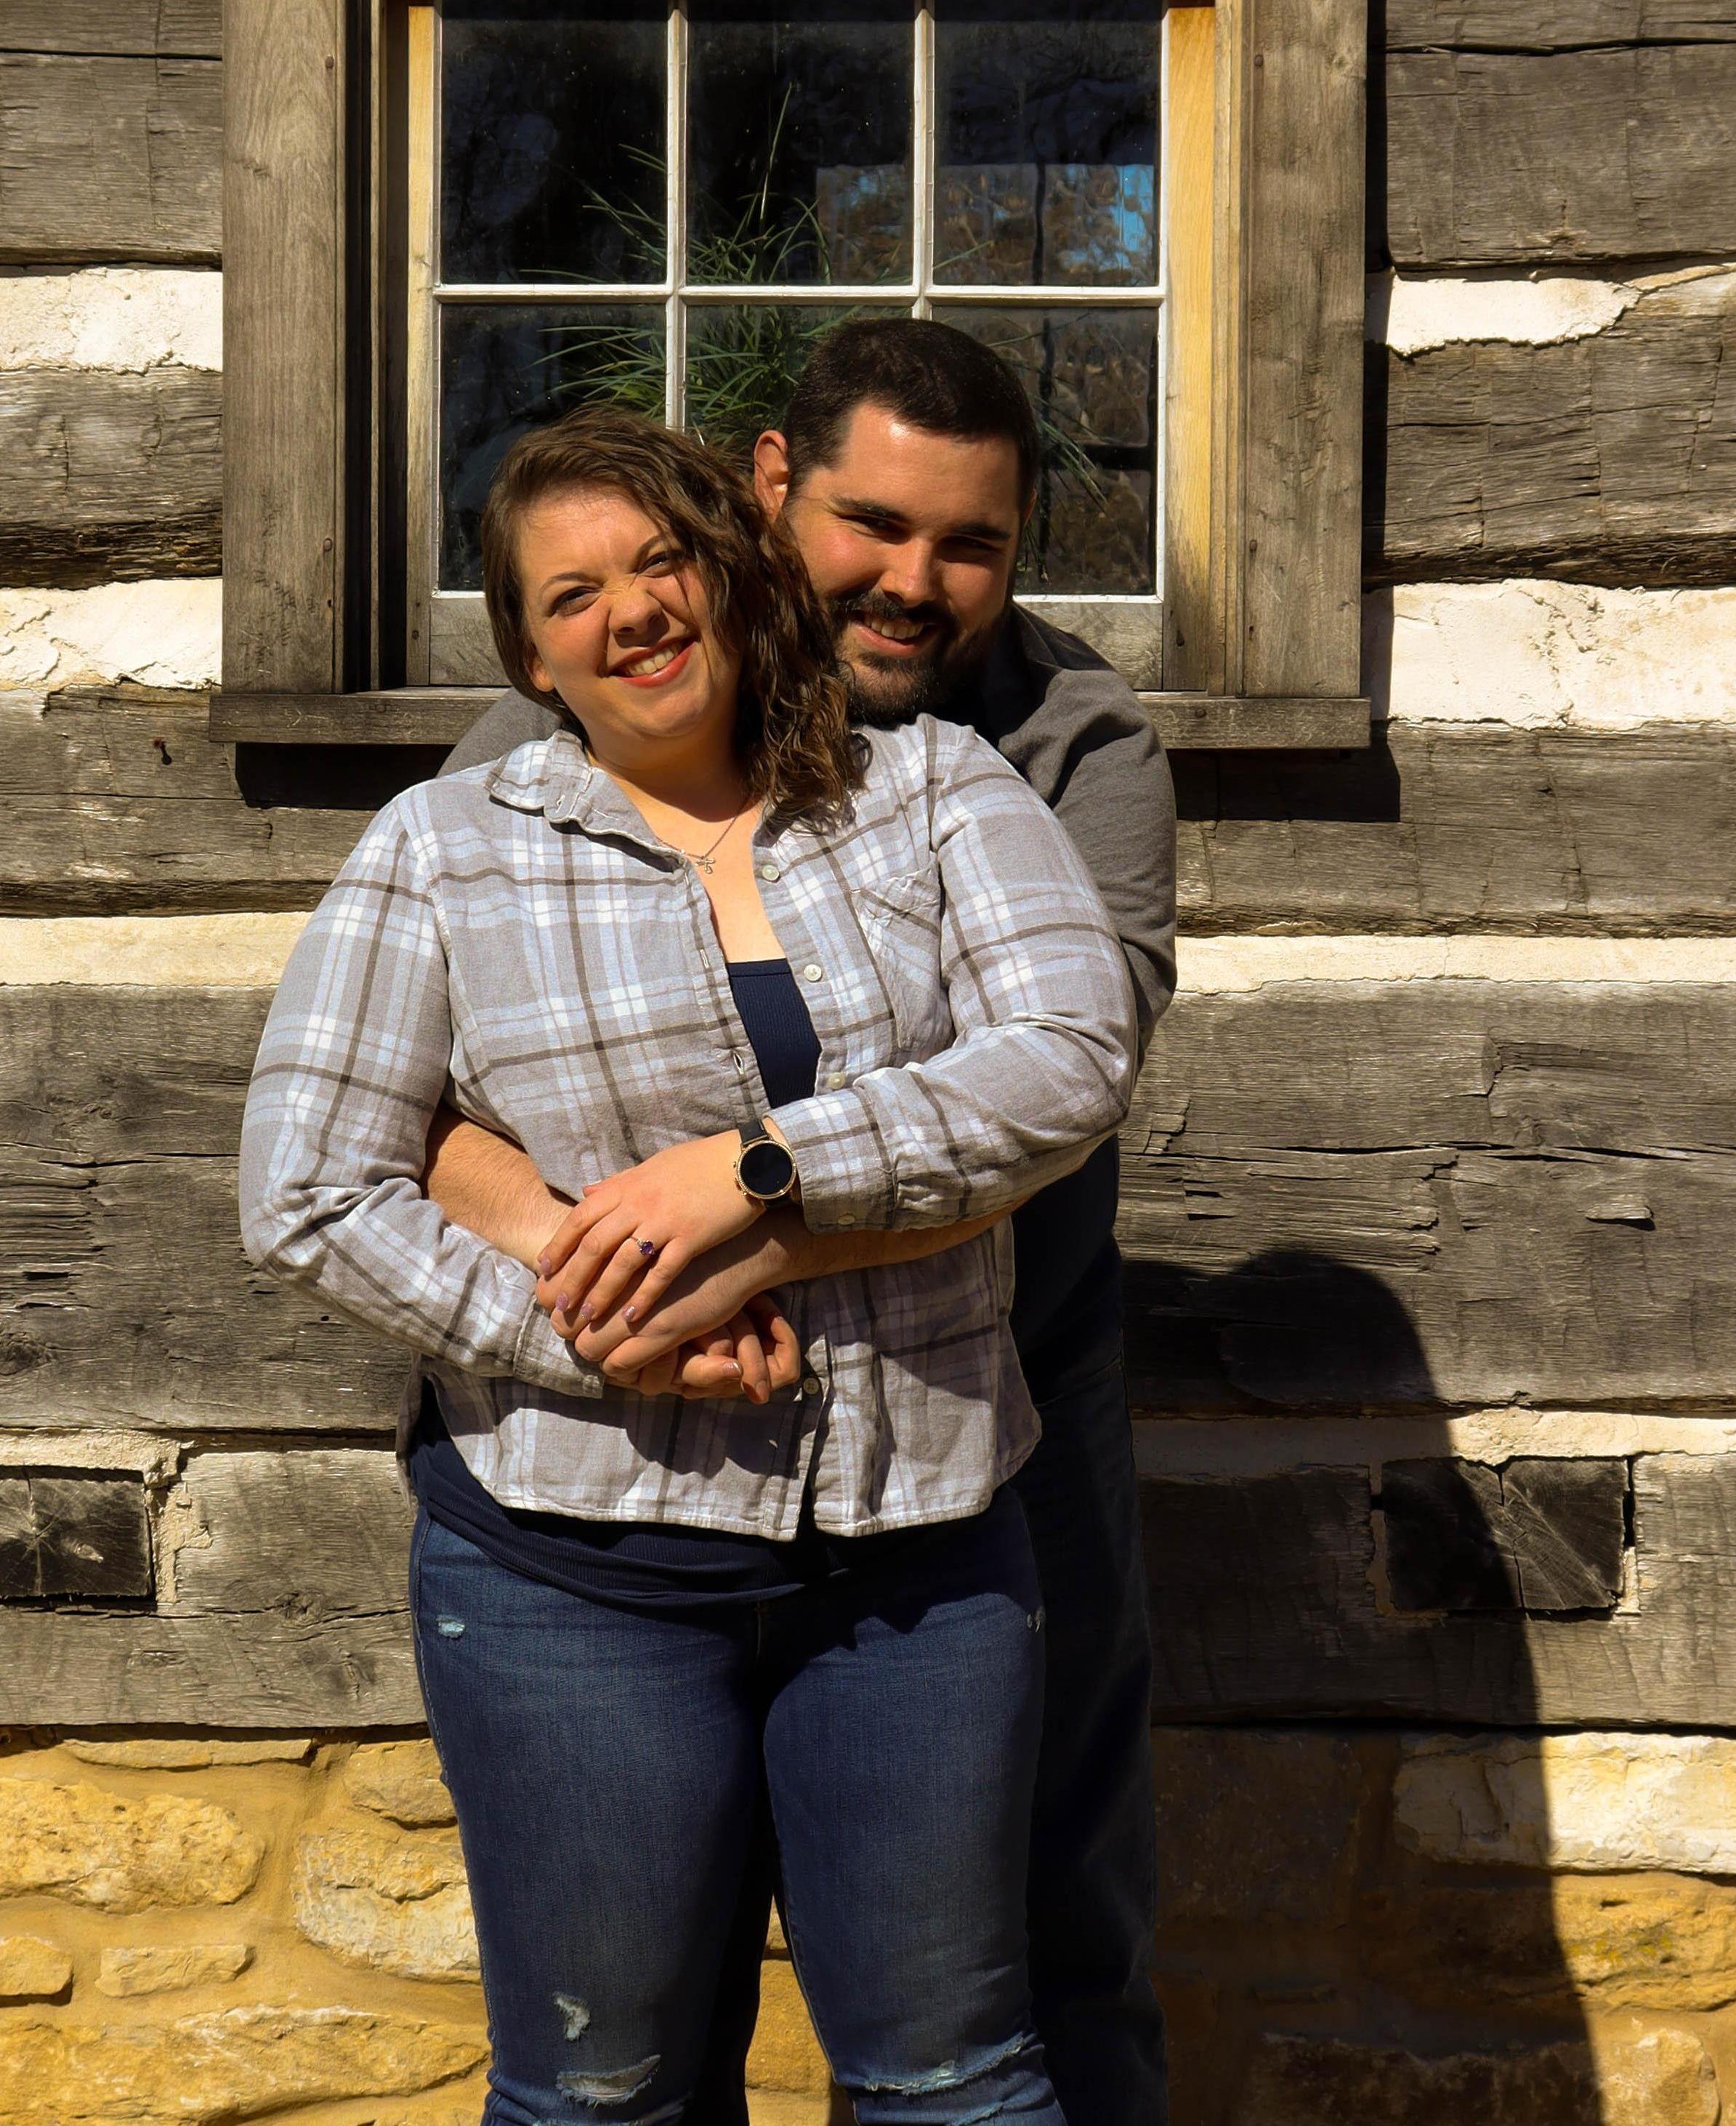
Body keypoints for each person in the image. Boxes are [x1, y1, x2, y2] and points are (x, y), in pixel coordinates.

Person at [240, 406, 1139, 2125]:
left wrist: (758, 1173)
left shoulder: (933, 790)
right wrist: (595, 1338)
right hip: (570, 1567)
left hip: (919, 1549)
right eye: (572, 595)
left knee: (953, 2079)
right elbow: (308, 1186)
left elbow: (1068, 1059)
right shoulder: (443, 846)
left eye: (661, 564)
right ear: (530, 654)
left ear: (730, 578)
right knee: (602, 2091)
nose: (632, 612)